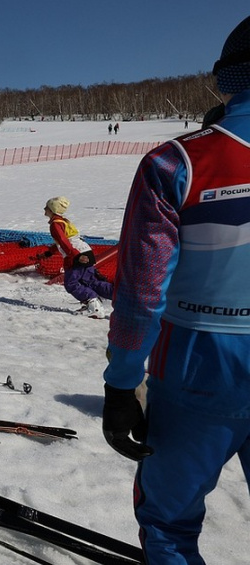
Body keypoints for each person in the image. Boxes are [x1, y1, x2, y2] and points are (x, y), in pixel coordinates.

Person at [102, 15, 250, 564]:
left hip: (197, 370)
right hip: (201, 367)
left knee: (168, 524)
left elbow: (143, 293)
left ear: (227, 79)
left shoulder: (178, 161)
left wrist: (121, 385)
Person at [42, 196, 112, 318]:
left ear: (52, 210)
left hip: (77, 255)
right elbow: (63, 240)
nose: (44, 209)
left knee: (71, 283)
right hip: (85, 251)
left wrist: (76, 256)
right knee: (91, 281)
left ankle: (93, 304)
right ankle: (120, 296)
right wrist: (50, 252)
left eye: (47, 207)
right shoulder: (63, 221)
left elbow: (64, 242)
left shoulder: (55, 224)